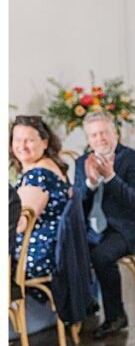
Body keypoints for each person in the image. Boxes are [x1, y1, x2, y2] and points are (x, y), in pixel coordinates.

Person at [73, 111, 135, 338]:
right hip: (92, 228)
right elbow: (76, 202)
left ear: (114, 132)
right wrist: (90, 183)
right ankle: (83, 307)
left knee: (101, 256)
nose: (100, 139)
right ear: (88, 139)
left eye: (104, 132)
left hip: (124, 228)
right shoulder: (81, 162)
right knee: (69, 248)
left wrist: (110, 177)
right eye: (94, 135)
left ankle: (116, 316)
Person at [11, 116, 71, 282]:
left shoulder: (38, 176)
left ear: (44, 143)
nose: (22, 146)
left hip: (35, 255)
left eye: (29, 140)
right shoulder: (50, 165)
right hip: (52, 249)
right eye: (17, 140)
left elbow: (20, 225)